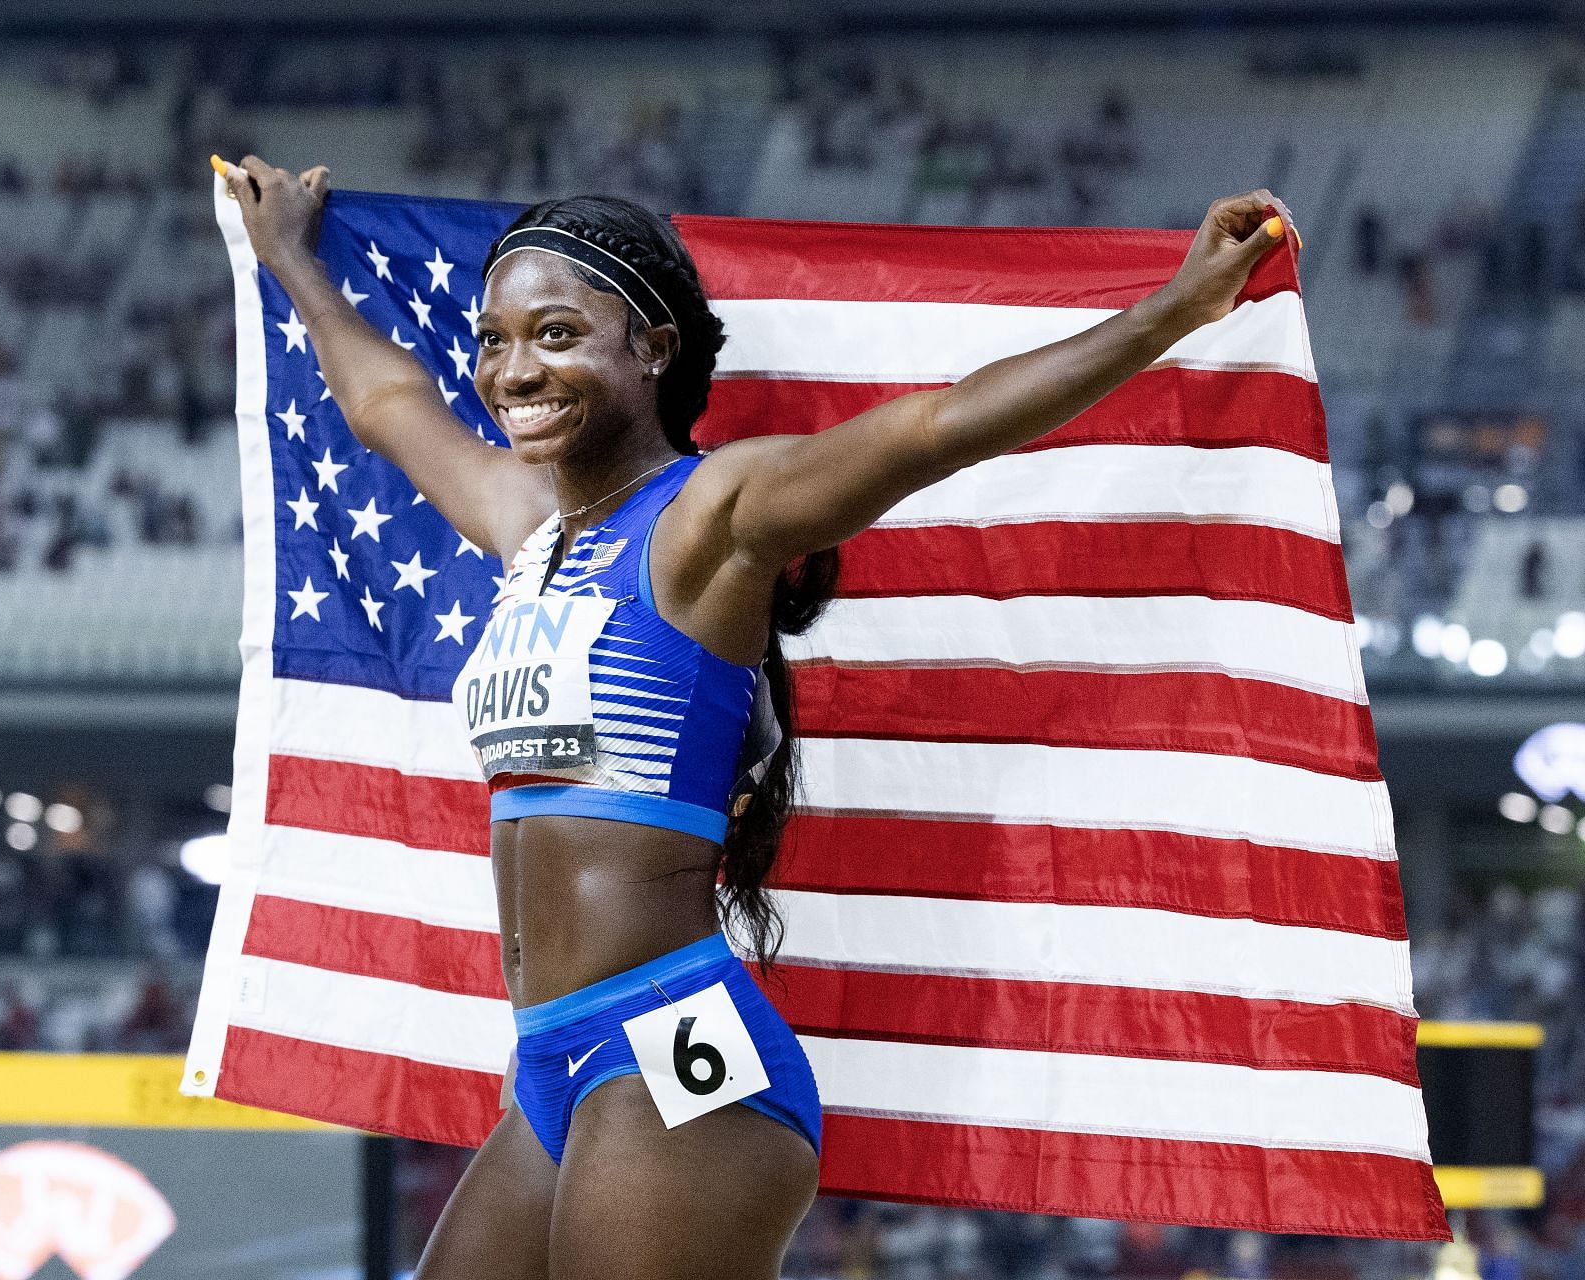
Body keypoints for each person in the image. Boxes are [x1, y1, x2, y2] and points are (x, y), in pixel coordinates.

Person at [221, 154, 1299, 1280]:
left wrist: (1176, 308)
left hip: (670, 1043)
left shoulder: (710, 515)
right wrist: (291, 253)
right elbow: (386, 403)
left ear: (651, 348)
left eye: (554, 333)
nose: (511, 368)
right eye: (493, 339)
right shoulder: (527, 525)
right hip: (549, 1058)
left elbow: (939, 427)